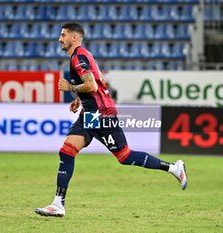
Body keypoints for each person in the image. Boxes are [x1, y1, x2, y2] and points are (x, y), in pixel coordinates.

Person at [35, 22, 187, 218]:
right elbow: (98, 82)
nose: (59, 39)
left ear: (74, 38)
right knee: (67, 151)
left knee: (125, 156)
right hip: (91, 113)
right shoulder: (83, 55)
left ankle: (174, 168)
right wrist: (79, 100)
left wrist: (70, 88)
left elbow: (92, 86)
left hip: (101, 113)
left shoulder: (79, 57)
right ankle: (58, 204)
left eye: (63, 35)